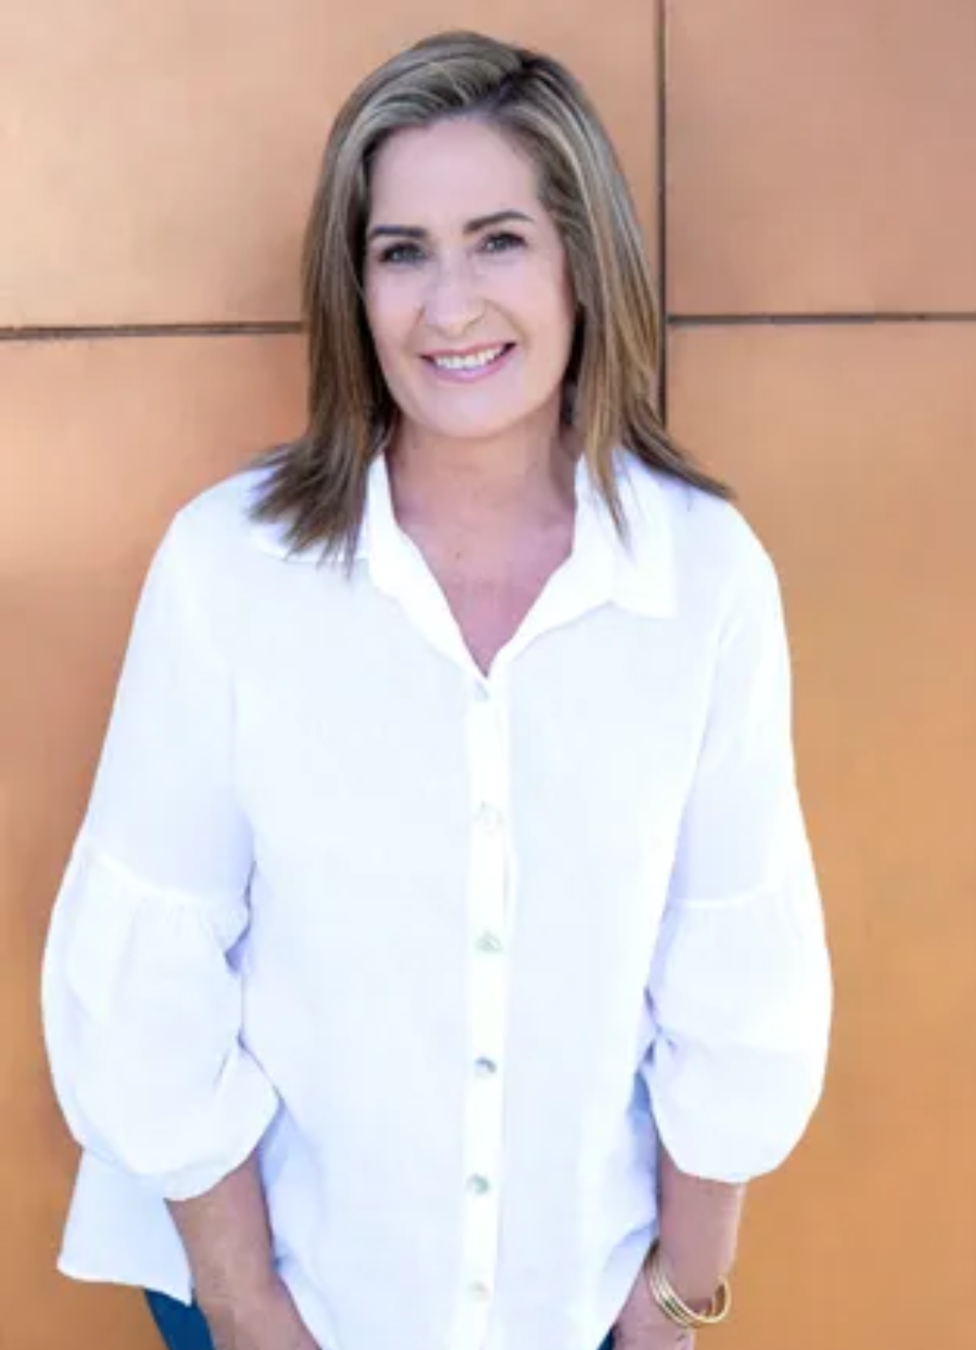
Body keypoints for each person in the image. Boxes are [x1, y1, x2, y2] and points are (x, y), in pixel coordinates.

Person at [41, 29, 832, 1350]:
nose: (449, 304)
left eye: (499, 239)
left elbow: (735, 963)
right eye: (401, 251)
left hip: (574, 1304)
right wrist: (250, 1314)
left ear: (587, 262)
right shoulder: (231, 568)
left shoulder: (703, 579)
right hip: (279, 1293)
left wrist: (678, 1298)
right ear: (353, 288)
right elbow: (149, 970)